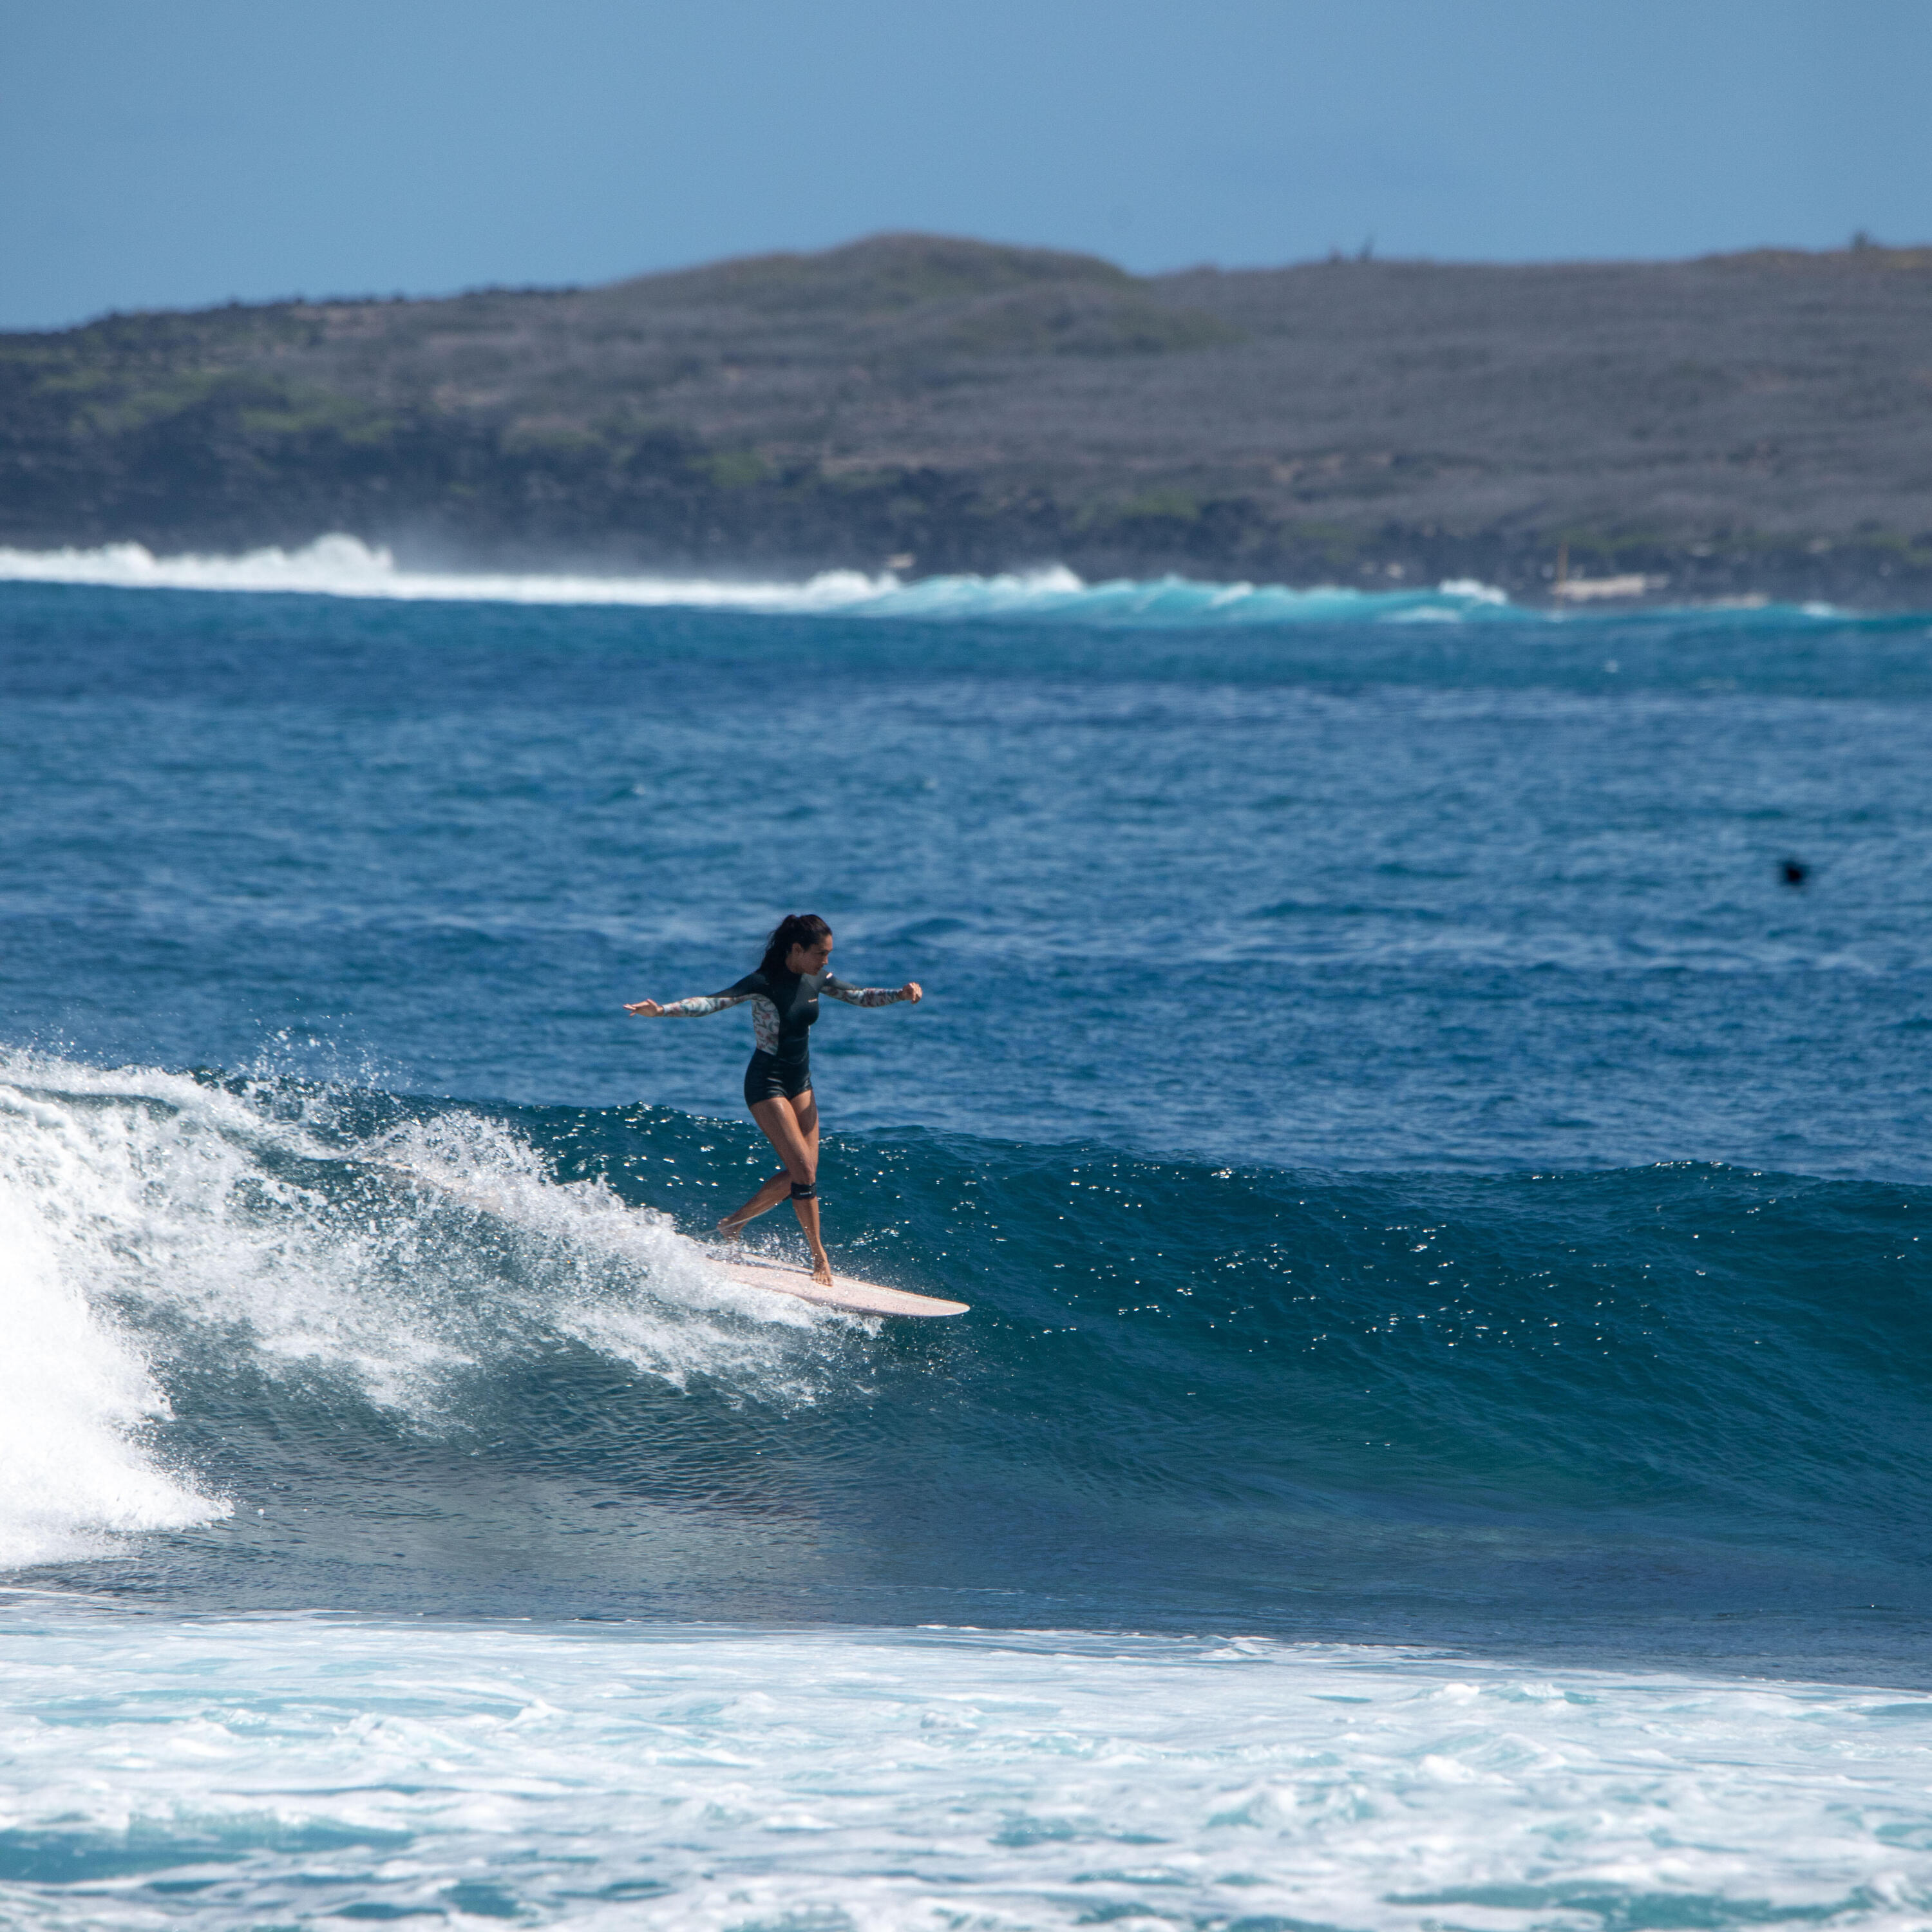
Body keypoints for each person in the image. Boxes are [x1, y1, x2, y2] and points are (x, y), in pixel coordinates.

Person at [625, 914, 922, 1283]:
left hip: (802, 1082)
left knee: (804, 1171)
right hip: (767, 1084)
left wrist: (900, 994)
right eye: (820, 953)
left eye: (829, 953)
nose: (826, 961)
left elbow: (859, 996)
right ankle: (819, 1259)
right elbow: (711, 1002)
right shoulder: (763, 983)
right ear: (796, 949)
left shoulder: (817, 978)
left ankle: (732, 1225)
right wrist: (662, 1010)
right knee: (805, 1173)